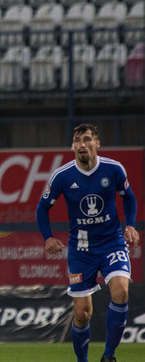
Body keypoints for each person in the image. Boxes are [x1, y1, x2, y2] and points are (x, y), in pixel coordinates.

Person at [35, 123, 139, 362]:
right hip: (81, 249)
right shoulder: (62, 175)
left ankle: (109, 357)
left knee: (121, 290)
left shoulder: (113, 169)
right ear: (72, 146)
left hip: (112, 242)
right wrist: (47, 237)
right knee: (82, 314)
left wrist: (130, 224)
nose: (82, 144)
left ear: (97, 143)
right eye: (78, 140)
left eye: (87, 139)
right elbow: (42, 208)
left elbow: (128, 198)